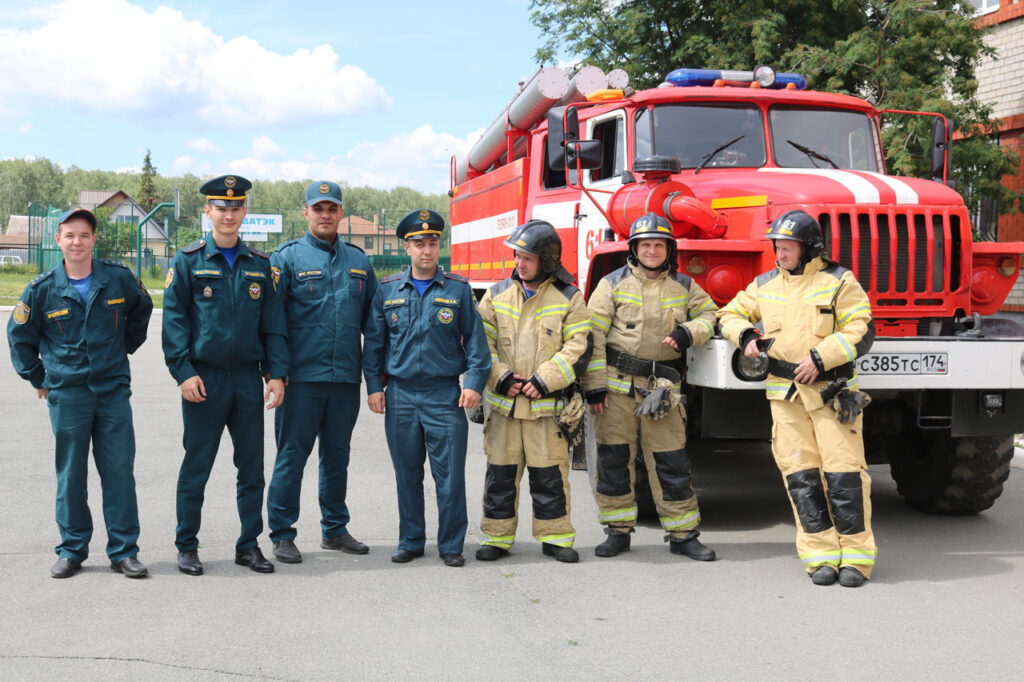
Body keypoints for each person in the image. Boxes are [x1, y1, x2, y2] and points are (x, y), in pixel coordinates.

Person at [718, 209, 876, 587]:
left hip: (832, 394)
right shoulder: (765, 284)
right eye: (777, 246)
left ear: (809, 248)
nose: (780, 253)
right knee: (800, 477)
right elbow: (729, 313)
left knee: (845, 476)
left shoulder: (839, 281)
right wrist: (745, 336)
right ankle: (819, 556)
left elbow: (861, 327)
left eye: (787, 247)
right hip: (785, 397)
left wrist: (822, 358)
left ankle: (856, 559)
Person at [8, 208, 153, 579]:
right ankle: (72, 549)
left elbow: (142, 310)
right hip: (68, 393)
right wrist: (39, 376)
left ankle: (124, 551)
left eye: (84, 235)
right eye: (69, 235)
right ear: (58, 240)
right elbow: (20, 337)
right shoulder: (41, 290)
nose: (77, 242)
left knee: (119, 471)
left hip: (112, 392)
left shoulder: (118, 280)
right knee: (71, 474)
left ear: (93, 240)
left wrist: (122, 350)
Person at [162, 174, 289, 576]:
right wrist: (183, 372)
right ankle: (187, 545)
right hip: (204, 380)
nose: (229, 214)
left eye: (236, 207)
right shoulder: (188, 261)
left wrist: (276, 373)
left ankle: (248, 545)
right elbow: (175, 324)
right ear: (208, 212)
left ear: (244, 212)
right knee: (197, 466)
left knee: (252, 467)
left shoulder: (260, 267)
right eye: (221, 207)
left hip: (247, 381)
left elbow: (273, 326)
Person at [582, 213, 718, 561]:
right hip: (616, 391)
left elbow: (710, 315)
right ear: (634, 249)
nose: (653, 251)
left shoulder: (685, 286)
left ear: (669, 249)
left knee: (671, 461)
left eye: (659, 245)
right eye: (646, 245)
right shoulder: (611, 284)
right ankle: (617, 531)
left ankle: (683, 534)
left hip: (663, 392)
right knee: (614, 461)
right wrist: (594, 388)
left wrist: (690, 332)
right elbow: (592, 337)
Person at [363, 209, 489, 567]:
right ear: (407, 247)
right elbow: (373, 344)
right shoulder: (387, 290)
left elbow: (478, 347)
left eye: (432, 243)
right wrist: (374, 386)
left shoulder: (458, 290)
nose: (427, 250)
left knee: (449, 478)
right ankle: (411, 540)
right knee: (407, 475)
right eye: (419, 244)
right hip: (400, 395)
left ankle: (451, 545)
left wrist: (474, 384)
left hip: (444, 396)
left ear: (438, 246)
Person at [266, 181, 378, 564]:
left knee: (337, 457)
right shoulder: (286, 259)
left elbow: (373, 326)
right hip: (301, 381)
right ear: (306, 213)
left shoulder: (360, 262)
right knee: (292, 457)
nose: (325, 215)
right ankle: (282, 533)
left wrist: (374, 381)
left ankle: (334, 529)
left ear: (341, 213)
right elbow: (272, 323)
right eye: (318, 208)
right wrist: (276, 374)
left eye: (332, 208)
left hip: (345, 379)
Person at [474, 220, 591, 564]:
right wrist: (501, 377)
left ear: (547, 260)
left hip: (546, 410)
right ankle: (496, 538)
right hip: (505, 410)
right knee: (500, 478)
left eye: (527, 257)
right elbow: (482, 344)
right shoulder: (495, 295)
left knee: (550, 477)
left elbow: (578, 346)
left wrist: (544, 379)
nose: (519, 263)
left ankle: (555, 538)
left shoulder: (570, 297)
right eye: (517, 255)